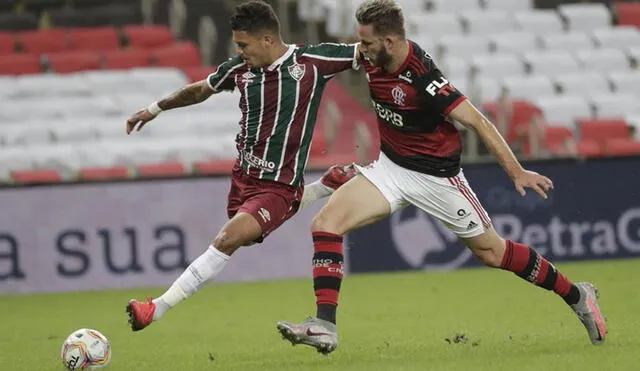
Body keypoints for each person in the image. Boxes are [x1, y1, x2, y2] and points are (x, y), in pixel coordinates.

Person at [276, 0, 607, 354]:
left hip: (437, 179)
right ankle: (325, 325)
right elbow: (322, 55)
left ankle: (577, 294)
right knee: (325, 224)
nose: (362, 50)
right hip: (391, 169)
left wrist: (516, 171)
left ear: (389, 42)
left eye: (368, 43)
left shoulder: (423, 78)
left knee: (493, 253)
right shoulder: (371, 55)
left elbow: (477, 121)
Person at [124, 0, 359, 332]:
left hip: (280, 186)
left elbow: (366, 51)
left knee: (227, 239)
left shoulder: (311, 62)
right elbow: (200, 91)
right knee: (244, 237)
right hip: (244, 178)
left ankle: (155, 308)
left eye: (243, 44)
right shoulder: (240, 69)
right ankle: (323, 186)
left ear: (267, 40)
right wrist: (154, 108)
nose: (239, 50)